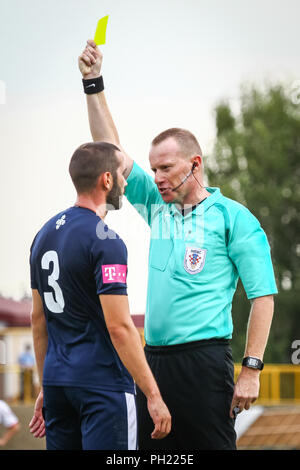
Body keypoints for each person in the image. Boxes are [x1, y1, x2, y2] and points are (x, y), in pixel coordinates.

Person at [78, 40, 278, 450]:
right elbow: (111, 154)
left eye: (166, 168)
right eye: (153, 169)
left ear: (195, 164)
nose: (158, 178)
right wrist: (93, 82)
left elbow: (263, 297)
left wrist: (252, 368)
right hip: (153, 364)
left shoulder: (234, 218)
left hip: (205, 364)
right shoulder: (157, 208)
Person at [29, 142, 171, 450]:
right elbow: (119, 328)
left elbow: (38, 321)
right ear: (106, 180)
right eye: (121, 174)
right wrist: (153, 394)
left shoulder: (43, 234)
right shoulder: (106, 240)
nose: (125, 182)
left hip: (57, 383)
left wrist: (47, 383)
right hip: (101, 386)